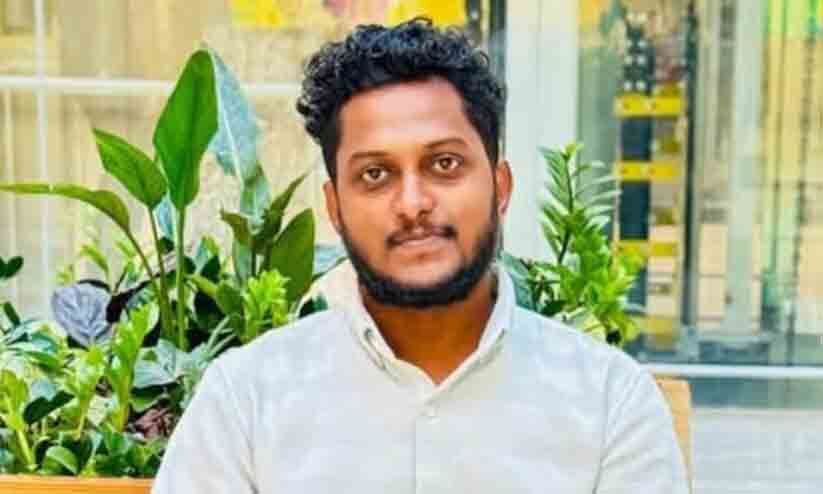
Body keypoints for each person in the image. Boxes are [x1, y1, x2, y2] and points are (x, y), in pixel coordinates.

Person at [152, 18, 688, 493]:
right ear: (335, 208)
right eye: (375, 174)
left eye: (445, 164)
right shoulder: (246, 402)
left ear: (500, 187)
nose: (412, 204)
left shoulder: (608, 404)